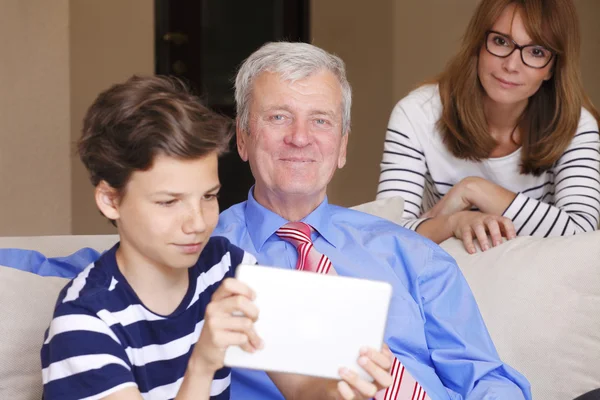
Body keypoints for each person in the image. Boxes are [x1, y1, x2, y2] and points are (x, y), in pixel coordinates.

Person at [40, 75, 392, 400]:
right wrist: (202, 365)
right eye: (168, 202)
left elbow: (301, 390)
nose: (196, 223)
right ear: (110, 199)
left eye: (208, 196)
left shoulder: (225, 267)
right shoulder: (83, 323)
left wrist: (345, 389)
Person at [213, 41, 531, 400]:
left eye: (320, 120)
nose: (299, 138)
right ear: (243, 138)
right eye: (278, 117)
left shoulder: (413, 255)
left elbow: (487, 381)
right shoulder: (203, 258)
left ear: (342, 146)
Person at [376, 0, 600, 254]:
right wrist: (453, 223)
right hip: (439, 281)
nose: (512, 65)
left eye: (536, 52)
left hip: (536, 288)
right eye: (501, 42)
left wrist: (475, 189)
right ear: (479, 44)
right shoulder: (417, 114)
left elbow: (581, 234)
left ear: (552, 67)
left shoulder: (576, 125)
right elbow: (385, 236)